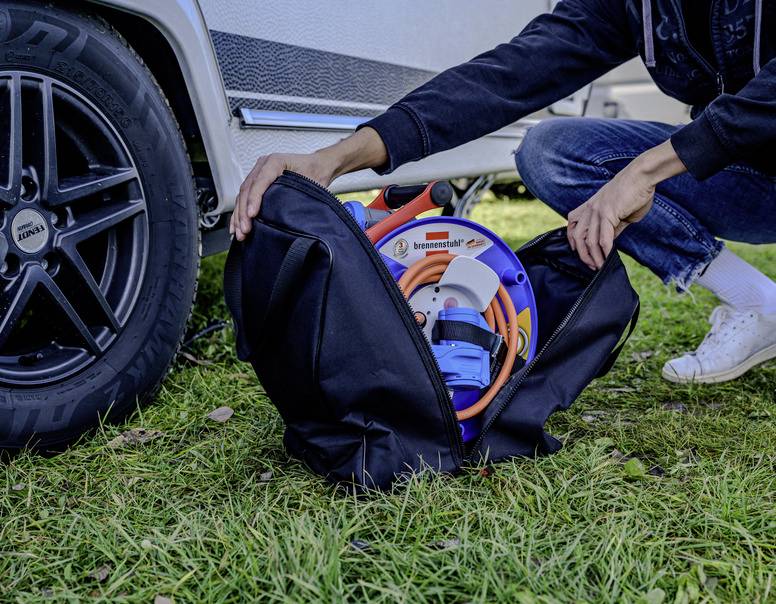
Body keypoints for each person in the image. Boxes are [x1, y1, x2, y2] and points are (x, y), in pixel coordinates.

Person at [230, 0, 776, 384]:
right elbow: (507, 75)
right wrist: (337, 158)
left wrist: (644, 171)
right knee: (551, 151)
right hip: (744, 177)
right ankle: (758, 302)